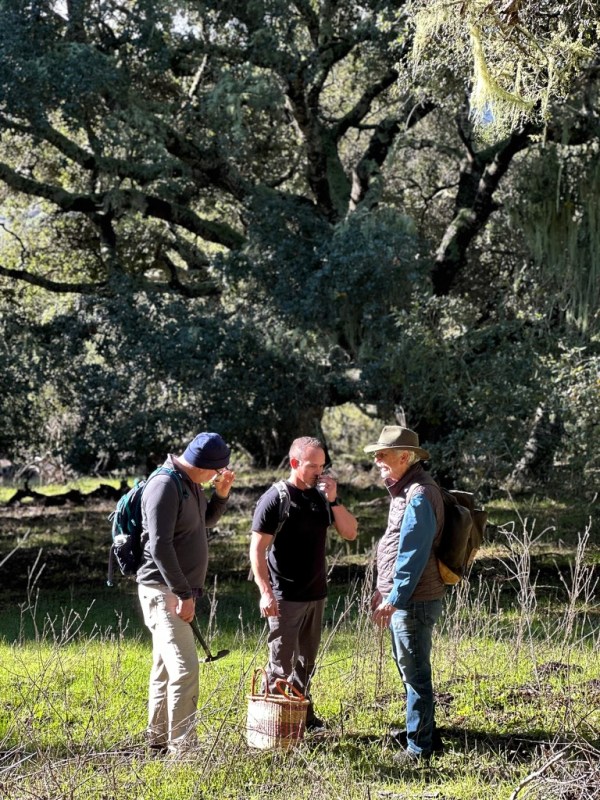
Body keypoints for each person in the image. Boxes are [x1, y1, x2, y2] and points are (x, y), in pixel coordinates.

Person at [136, 432, 235, 756]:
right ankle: (185, 752)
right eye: (218, 472)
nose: (218, 477)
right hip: (163, 592)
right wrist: (183, 593)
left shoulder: (190, 483)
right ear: (206, 466)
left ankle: (157, 742)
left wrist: (220, 496)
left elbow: (202, 523)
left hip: (175, 591)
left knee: (165, 668)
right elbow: (159, 546)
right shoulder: (164, 485)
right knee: (185, 668)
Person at [249, 436, 358, 730]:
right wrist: (265, 592)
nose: (319, 473)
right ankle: (272, 725)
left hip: (315, 595)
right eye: (313, 466)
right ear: (295, 463)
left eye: (323, 466)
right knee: (280, 665)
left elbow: (350, 532)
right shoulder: (276, 499)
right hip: (285, 597)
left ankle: (301, 718)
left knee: (306, 664)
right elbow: (257, 550)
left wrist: (333, 499)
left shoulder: (320, 497)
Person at [364, 425, 445, 763]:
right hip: (406, 598)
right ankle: (424, 732)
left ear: (405, 457)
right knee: (409, 669)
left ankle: (419, 748)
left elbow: (413, 554)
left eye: (383, 453)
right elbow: (397, 546)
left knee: (415, 674)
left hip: (413, 601)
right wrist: (382, 590)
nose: (377, 458)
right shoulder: (406, 490)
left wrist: (394, 597)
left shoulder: (419, 495)